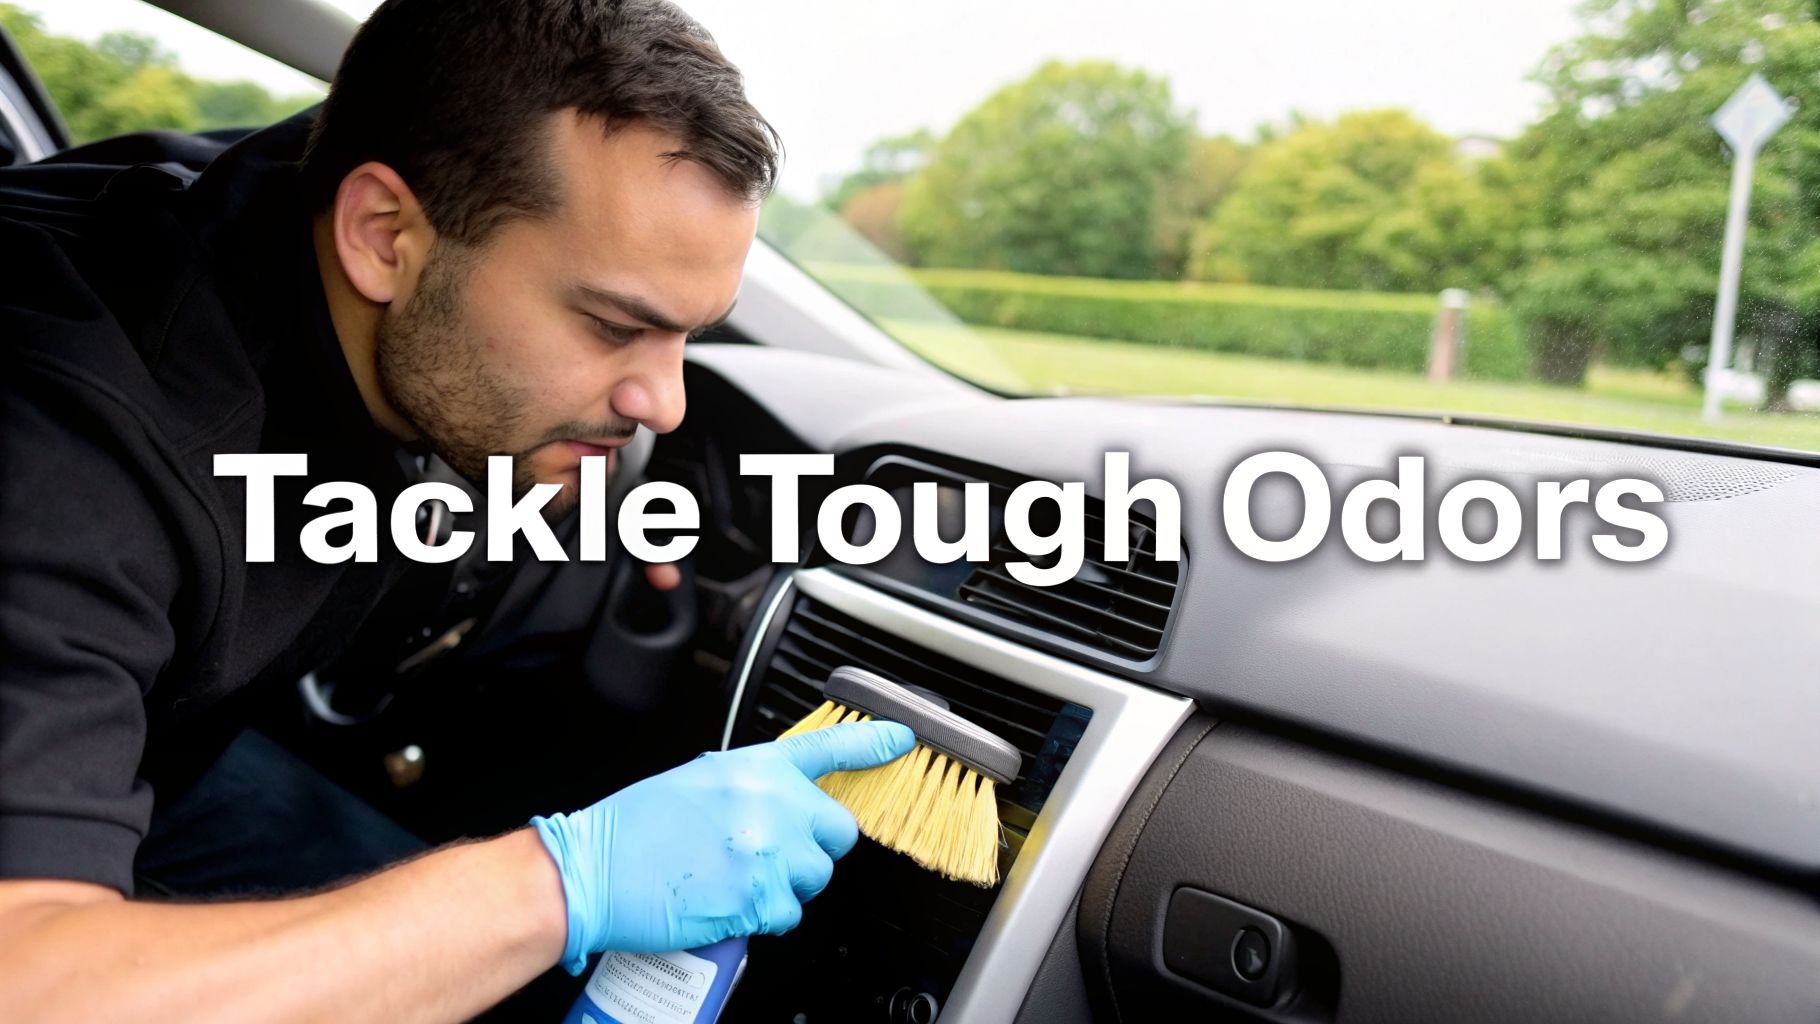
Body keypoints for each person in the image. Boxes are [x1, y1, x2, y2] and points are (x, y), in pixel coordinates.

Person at [0, 0, 913, 1019]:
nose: (663, 401)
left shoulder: (322, 199)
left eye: (687, 339)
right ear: (382, 236)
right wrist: (557, 885)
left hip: (157, 759)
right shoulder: (64, 441)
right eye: (615, 326)